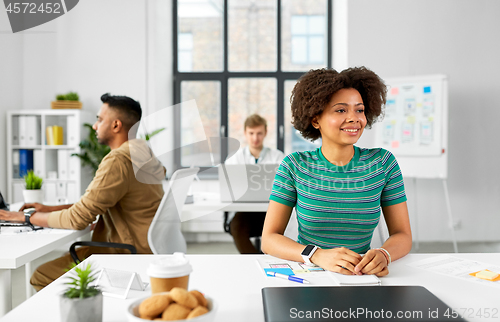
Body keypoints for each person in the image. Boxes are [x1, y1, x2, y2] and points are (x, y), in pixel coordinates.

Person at [0, 93, 166, 291]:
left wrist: (26, 217)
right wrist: (48, 208)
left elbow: (77, 219)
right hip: (145, 247)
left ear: (116, 125)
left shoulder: (118, 161)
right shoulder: (143, 154)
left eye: (99, 119)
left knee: (42, 275)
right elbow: (94, 203)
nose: (95, 125)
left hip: (123, 253)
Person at [261, 67, 412, 277]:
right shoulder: (294, 166)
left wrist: (384, 254)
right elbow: (269, 239)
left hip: (360, 276)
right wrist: (317, 254)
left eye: (359, 110)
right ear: (316, 120)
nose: (354, 118)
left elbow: (402, 234)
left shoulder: (383, 163)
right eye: (341, 110)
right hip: (312, 273)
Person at [225, 114, 284, 254]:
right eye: (251, 133)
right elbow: (228, 185)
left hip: (271, 209)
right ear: (245, 133)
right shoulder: (235, 159)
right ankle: (257, 259)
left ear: (265, 133)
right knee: (236, 225)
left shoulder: (278, 157)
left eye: (259, 133)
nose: (255, 138)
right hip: (245, 211)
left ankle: (267, 257)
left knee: (278, 229)